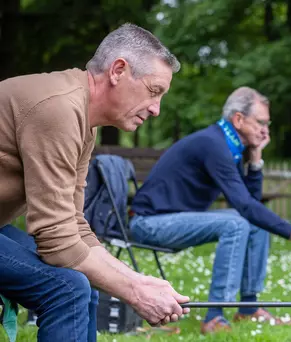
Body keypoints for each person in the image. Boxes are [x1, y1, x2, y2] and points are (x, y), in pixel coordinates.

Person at [0, 23, 190, 342]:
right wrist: (135, 291)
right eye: (154, 91)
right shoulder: (58, 107)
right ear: (118, 70)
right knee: (66, 289)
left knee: (78, 283)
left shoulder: (84, 121)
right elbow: (54, 238)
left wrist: (137, 280)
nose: (157, 109)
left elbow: (72, 225)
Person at [129, 87, 291, 334]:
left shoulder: (227, 144)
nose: (265, 130)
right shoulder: (213, 145)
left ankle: (248, 308)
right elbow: (246, 207)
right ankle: (215, 316)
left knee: (254, 223)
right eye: (260, 122)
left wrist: (256, 159)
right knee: (235, 224)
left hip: (174, 219)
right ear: (238, 119)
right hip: (149, 223)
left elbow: (251, 205)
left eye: (267, 124)